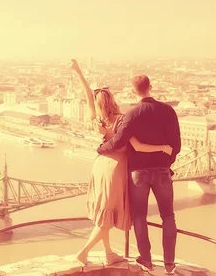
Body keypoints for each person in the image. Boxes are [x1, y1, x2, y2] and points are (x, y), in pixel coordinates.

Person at [69, 60, 173, 266]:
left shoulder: (96, 119)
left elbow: (88, 95)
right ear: (112, 100)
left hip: (99, 165)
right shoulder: (121, 120)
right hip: (114, 170)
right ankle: (84, 251)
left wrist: (78, 71)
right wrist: (162, 148)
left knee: (104, 212)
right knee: (106, 217)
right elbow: (139, 147)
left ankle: (108, 253)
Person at [97, 74, 181, 274]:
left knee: (140, 217)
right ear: (150, 87)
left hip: (138, 173)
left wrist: (101, 149)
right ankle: (169, 263)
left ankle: (146, 259)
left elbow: (117, 141)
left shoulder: (132, 114)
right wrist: (166, 162)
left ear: (134, 91)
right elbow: (176, 144)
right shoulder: (168, 111)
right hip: (162, 171)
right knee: (168, 216)